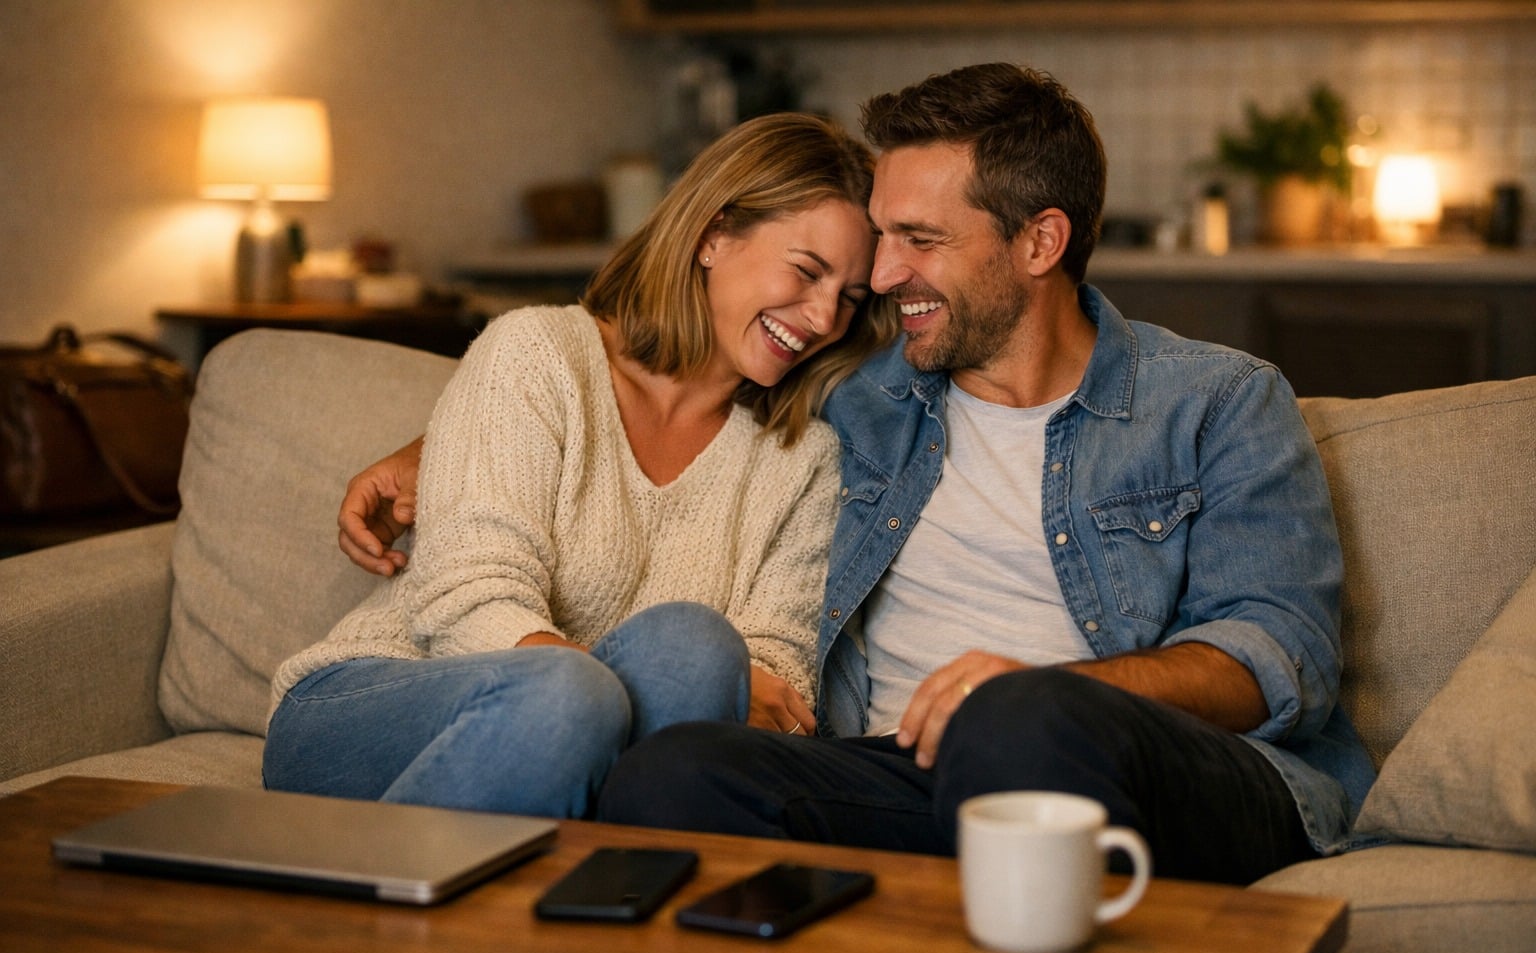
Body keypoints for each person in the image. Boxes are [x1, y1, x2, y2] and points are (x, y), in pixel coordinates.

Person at [338, 65, 1376, 884]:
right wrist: (441, 447)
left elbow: (1278, 654)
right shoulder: (856, 397)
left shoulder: (1221, 401)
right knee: (675, 772)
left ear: (1040, 241)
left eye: (917, 241)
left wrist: (1052, 691)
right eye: (879, 239)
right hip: (900, 771)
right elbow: (660, 383)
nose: (877, 281)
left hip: (1144, 766)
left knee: (1014, 723)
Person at [263, 112, 899, 819]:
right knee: (573, 690)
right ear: (715, 234)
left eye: (850, 298)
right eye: (807, 271)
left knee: (693, 647)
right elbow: (469, 598)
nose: (822, 318)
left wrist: (684, 681)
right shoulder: (539, 354)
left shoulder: (802, 458)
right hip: (381, 700)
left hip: (587, 735)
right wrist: (612, 683)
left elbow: (774, 682)